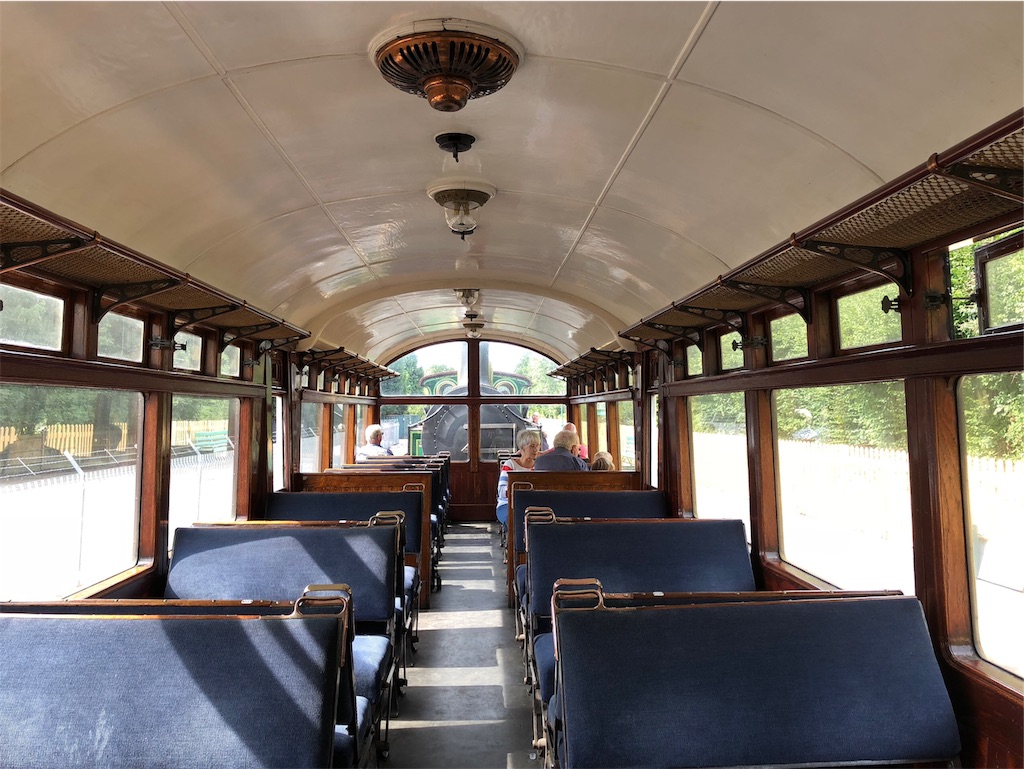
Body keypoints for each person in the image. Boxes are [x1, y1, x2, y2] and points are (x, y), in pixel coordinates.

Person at [496, 429, 542, 535]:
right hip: (508, 505)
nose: (536, 449)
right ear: (522, 448)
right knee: (516, 522)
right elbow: (502, 491)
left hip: (533, 505)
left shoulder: (540, 466)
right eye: (532, 446)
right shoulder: (510, 465)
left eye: (538, 446)